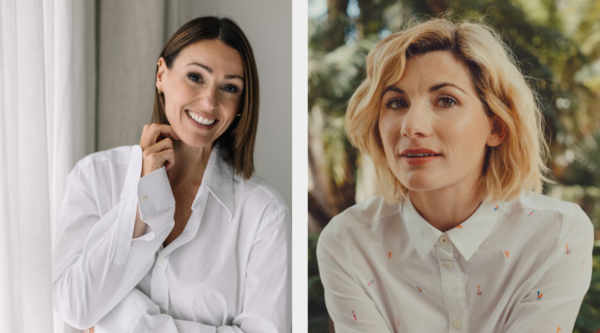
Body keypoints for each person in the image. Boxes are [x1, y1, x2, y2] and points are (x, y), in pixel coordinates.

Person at [317, 17, 594, 333]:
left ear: (496, 126)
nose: (411, 126)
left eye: (445, 100)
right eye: (396, 103)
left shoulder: (558, 235)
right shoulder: (348, 242)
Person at [53, 16, 290, 333]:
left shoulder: (264, 214)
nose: (209, 102)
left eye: (229, 88)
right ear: (161, 74)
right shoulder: (94, 178)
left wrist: (120, 320)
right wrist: (139, 204)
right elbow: (75, 307)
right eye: (195, 77)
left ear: (240, 105)